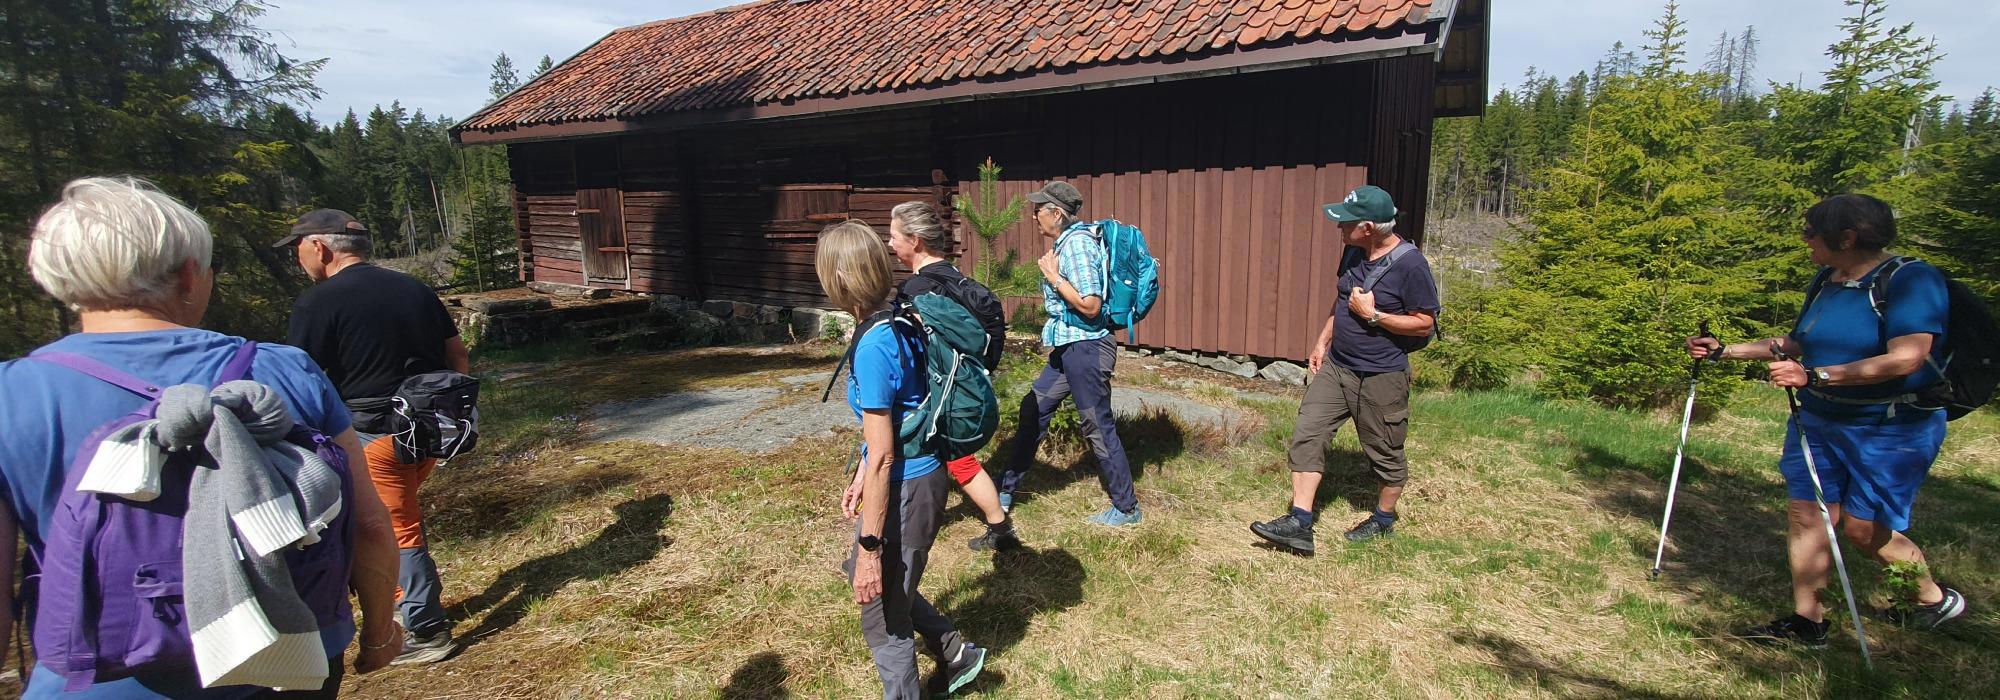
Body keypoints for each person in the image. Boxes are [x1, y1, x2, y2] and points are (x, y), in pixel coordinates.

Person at [0, 177, 402, 697]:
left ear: (58, 278)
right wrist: (375, 633)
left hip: (102, 675)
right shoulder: (285, 370)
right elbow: (369, 524)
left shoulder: (13, 394)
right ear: (190, 275)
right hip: (292, 660)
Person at [1686, 193, 1967, 646]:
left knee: (1862, 528)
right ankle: (1808, 621)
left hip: (1889, 427)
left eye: (1811, 232)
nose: (1805, 241)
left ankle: (1932, 600)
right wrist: (1726, 351)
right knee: (1806, 515)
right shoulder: (1827, 279)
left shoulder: (1912, 280)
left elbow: (1907, 358)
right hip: (1817, 420)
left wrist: (1817, 376)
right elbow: (1799, 342)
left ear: (1847, 236)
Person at [278, 209, 471, 665]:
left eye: (297, 248)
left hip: (373, 436)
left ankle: (426, 631)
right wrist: (445, 417)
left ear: (320, 247)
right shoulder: (415, 289)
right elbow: (457, 356)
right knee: (392, 521)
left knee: (392, 528)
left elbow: (295, 379)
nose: (297, 259)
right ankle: (398, 606)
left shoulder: (318, 302)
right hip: (425, 434)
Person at [818, 220, 987, 698]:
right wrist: (861, 471)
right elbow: (899, 417)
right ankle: (956, 651)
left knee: (883, 618)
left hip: (907, 486)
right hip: (915, 476)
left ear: (839, 277)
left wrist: (871, 549)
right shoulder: (894, 318)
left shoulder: (874, 344)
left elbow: (886, 457)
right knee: (877, 583)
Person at [1249, 185, 1438, 554]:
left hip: (1381, 375)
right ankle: (1299, 523)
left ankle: (1383, 519)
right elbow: (1341, 300)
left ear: (1368, 227)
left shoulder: (1412, 265)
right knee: (1308, 432)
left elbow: (1424, 324)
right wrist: (1323, 340)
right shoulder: (1354, 251)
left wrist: (1376, 316)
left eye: (1345, 223)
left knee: (1384, 450)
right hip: (1339, 366)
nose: (1338, 228)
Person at [996, 181, 1142, 527]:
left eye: (1039, 210)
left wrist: (1053, 276)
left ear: (1056, 214)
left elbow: (1090, 305)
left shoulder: (1076, 245)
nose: (1034, 216)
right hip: (1070, 348)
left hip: (1087, 349)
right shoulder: (1068, 242)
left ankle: (1127, 508)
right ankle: (1006, 488)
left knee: (1096, 423)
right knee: (1034, 407)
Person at [883, 201, 1021, 552]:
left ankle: (891, 533)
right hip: (962, 388)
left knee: (939, 458)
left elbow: (909, 356)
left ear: (915, 241)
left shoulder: (917, 292)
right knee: (954, 458)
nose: (889, 244)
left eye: (894, 236)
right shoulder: (959, 281)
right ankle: (997, 526)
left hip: (937, 393)